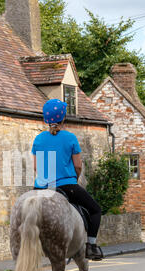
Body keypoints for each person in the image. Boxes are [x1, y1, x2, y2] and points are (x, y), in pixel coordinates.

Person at [31, 99, 103, 261]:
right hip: (66, 185)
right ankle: (91, 246)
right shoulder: (70, 138)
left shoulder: (39, 139)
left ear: (46, 119)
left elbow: (37, 167)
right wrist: (74, 180)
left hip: (41, 188)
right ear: (63, 118)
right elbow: (78, 166)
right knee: (95, 209)